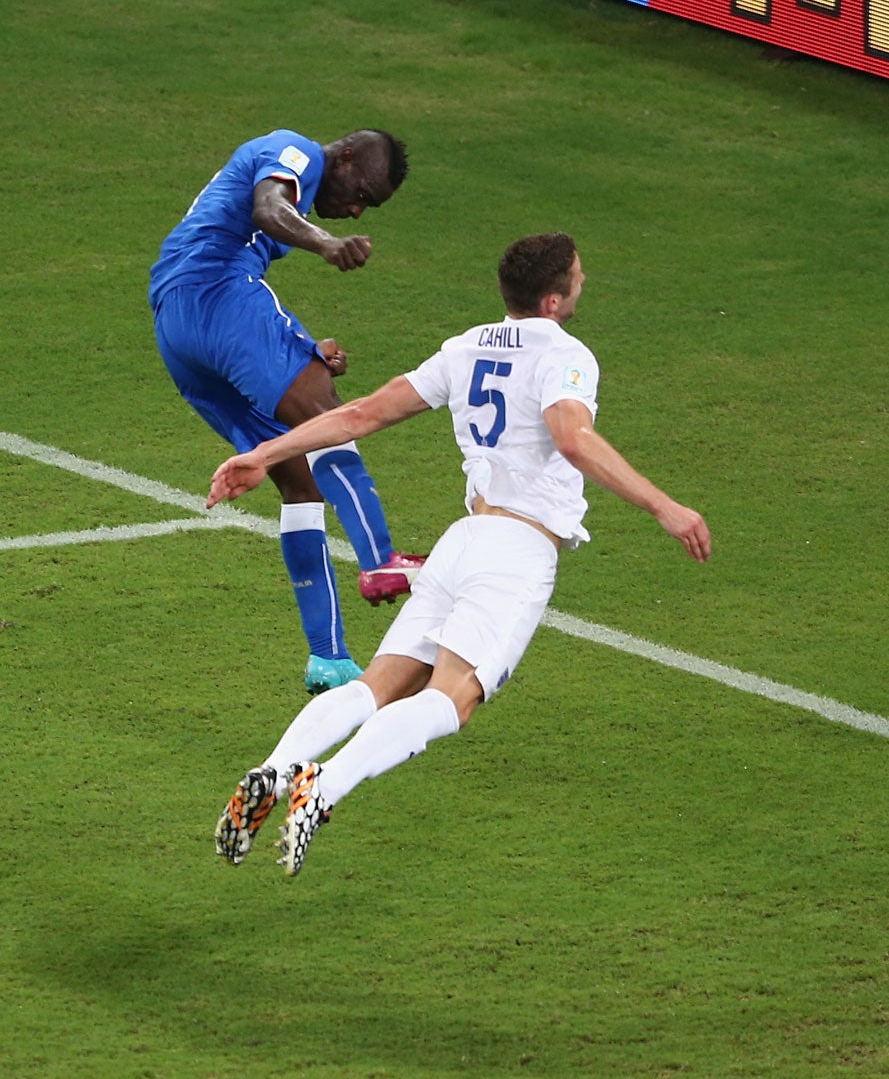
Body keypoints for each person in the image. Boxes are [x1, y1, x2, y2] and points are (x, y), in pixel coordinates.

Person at [203, 232, 711, 875]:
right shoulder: (567, 355)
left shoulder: (466, 346)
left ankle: (276, 770)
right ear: (554, 299)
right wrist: (667, 507)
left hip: (462, 540)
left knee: (379, 684)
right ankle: (322, 788)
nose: (585, 283)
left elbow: (360, 414)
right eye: (579, 277)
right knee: (453, 698)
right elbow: (573, 439)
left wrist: (262, 453)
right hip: (518, 550)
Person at [151, 127, 427, 696]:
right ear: (344, 156)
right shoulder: (293, 149)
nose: (353, 209)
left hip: (177, 329)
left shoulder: (286, 175)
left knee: (299, 475)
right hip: (216, 290)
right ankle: (380, 559)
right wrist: (325, 242)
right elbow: (269, 207)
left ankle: (328, 657)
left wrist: (304, 356)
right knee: (325, 410)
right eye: (360, 193)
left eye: (364, 209)